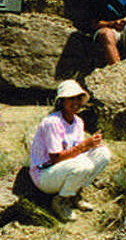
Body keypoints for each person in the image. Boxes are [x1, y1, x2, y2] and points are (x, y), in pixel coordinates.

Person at [29, 79, 111, 221]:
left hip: (62, 169)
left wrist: (92, 145)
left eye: (78, 98)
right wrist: (84, 146)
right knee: (84, 165)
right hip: (45, 174)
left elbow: (76, 150)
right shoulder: (52, 122)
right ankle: (61, 201)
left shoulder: (78, 122)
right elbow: (55, 157)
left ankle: (74, 194)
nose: (75, 102)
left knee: (103, 154)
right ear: (62, 101)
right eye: (70, 98)